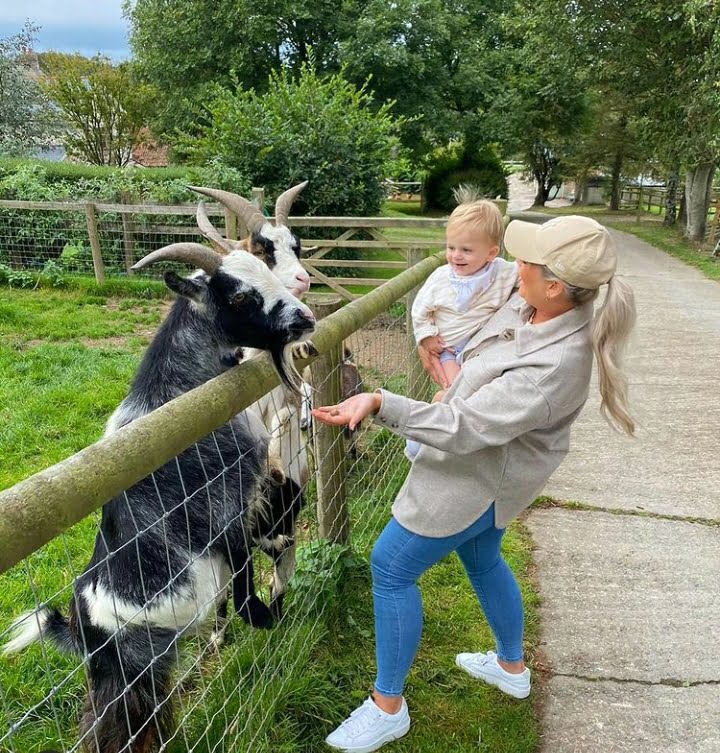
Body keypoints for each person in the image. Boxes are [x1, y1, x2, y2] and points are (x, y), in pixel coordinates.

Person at [312, 215, 637, 753]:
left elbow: (467, 430)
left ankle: (387, 706)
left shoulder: (555, 363)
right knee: (483, 559)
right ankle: (511, 667)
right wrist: (434, 347)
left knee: (390, 567)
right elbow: (477, 343)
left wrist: (380, 402)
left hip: (480, 477)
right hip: (492, 470)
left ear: (555, 285)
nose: (515, 266)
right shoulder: (535, 304)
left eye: (526, 260)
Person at [405, 197, 517, 460]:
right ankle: (420, 440)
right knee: (457, 392)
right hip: (449, 348)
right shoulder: (441, 278)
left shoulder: (501, 273)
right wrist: (426, 336)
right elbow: (419, 309)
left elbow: (526, 273)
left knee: (477, 395)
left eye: (466, 250)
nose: (456, 255)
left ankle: (458, 443)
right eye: (451, 247)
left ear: (491, 253)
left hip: (481, 347)